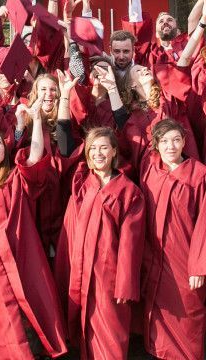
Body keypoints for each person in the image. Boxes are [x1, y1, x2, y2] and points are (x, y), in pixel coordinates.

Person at [0, 106, 69, 360]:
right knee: (4, 327)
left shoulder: (15, 177)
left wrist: (37, 120)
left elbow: (36, 154)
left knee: (31, 324)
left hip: (22, 258)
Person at [54, 127, 146, 359]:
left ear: (114, 151)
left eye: (104, 147)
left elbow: (131, 244)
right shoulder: (82, 185)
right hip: (82, 272)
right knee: (87, 335)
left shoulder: (129, 191)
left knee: (111, 338)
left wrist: (125, 285)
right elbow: (70, 229)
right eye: (93, 148)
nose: (98, 153)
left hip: (110, 277)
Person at [140, 118, 206, 360]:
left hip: (186, 261)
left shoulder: (200, 175)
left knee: (188, 321)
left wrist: (200, 267)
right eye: (165, 141)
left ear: (184, 142)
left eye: (176, 140)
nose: (171, 146)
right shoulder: (150, 170)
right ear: (156, 144)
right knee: (159, 328)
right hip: (155, 260)